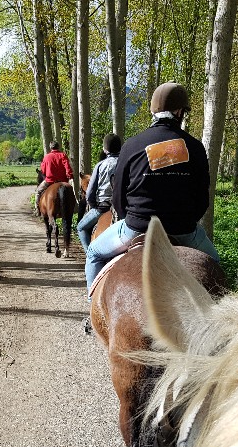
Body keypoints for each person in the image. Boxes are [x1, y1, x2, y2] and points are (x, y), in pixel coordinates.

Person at [84, 82, 219, 297]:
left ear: (154, 111)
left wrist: (132, 218)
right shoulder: (194, 146)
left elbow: (118, 197)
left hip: (137, 227)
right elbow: (202, 198)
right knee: (216, 264)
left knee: (93, 254)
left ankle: (92, 312)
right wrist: (185, 223)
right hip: (183, 231)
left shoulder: (132, 144)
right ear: (180, 111)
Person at [77, 133, 121, 254]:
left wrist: (93, 204)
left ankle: (89, 255)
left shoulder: (100, 165)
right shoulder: (126, 163)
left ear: (105, 149)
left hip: (103, 206)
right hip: (123, 207)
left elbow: (90, 192)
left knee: (80, 228)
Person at [35, 140, 73, 214]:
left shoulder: (47, 157)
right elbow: (67, 167)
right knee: (73, 193)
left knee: (38, 192)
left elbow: (43, 170)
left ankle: (37, 209)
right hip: (63, 181)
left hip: (50, 180)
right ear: (58, 147)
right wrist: (69, 175)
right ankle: (75, 207)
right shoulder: (63, 155)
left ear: (50, 148)